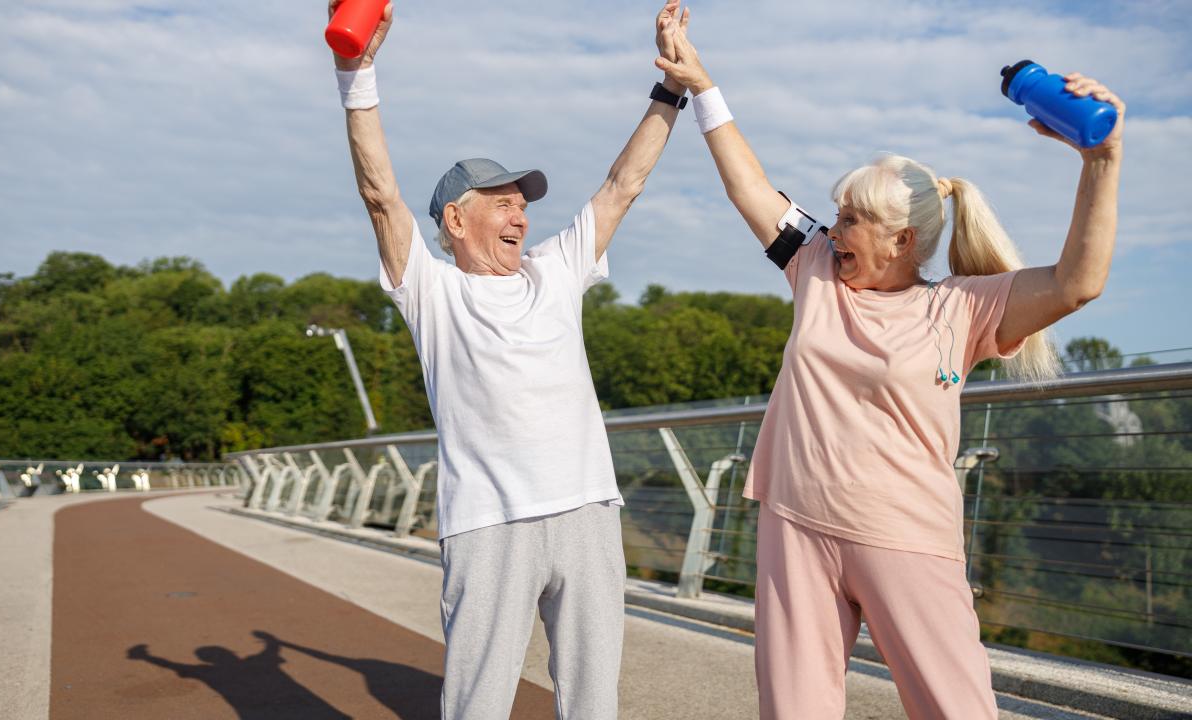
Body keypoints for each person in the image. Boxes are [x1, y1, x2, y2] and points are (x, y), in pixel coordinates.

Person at [653, 19, 1124, 720]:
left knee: (954, 709)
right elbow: (747, 186)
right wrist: (704, 86)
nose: (832, 230)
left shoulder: (963, 308)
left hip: (905, 538)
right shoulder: (815, 269)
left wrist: (1102, 160)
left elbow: (1077, 282)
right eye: (836, 216)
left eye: (849, 221)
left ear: (902, 241)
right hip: (795, 526)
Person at [328, 2, 694, 717]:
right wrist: (356, 73)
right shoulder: (430, 290)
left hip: (587, 511)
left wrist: (671, 89)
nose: (521, 215)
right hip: (490, 525)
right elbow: (379, 194)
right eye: (502, 202)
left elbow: (625, 184)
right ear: (456, 222)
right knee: (477, 704)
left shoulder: (557, 269)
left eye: (522, 203)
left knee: (594, 703)